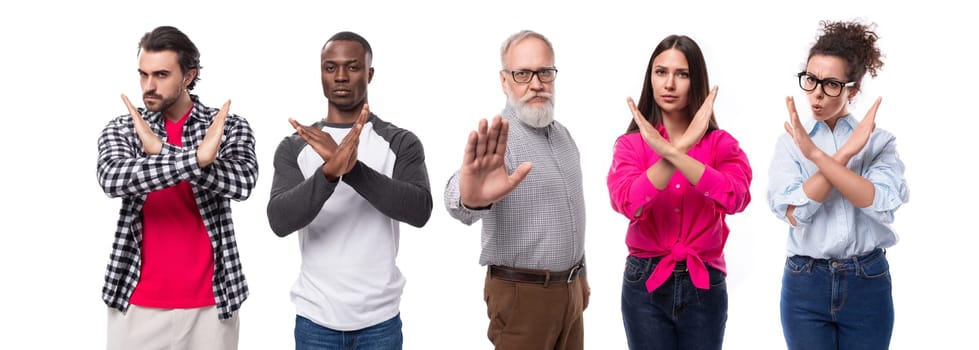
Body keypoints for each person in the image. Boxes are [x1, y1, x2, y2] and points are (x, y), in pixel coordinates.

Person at [266, 31, 433, 350]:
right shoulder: (295, 147)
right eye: (330, 67)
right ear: (321, 74)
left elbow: (419, 210)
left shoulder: (400, 142)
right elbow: (280, 220)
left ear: (369, 73)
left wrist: (352, 169)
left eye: (353, 67)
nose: (341, 76)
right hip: (316, 320)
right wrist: (328, 173)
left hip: (380, 321)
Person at [96, 26, 258, 350]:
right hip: (136, 302)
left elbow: (242, 182)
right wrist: (198, 159)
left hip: (213, 304)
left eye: (161, 74)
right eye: (143, 74)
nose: (148, 86)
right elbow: (113, 178)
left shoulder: (227, 126)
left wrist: (161, 152)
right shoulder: (125, 127)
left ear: (188, 76)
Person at [767, 20, 910, 350]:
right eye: (811, 80)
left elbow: (882, 203)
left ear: (853, 89)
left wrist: (817, 156)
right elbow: (793, 213)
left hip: (867, 282)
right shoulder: (790, 143)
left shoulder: (878, 143)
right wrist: (843, 155)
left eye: (830, 84)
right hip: (805, 283)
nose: (816, 93)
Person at [443, 29, 589, 349]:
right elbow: (457, 193)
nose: (536, 84)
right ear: (504, 81)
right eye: (522, 74)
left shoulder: (564, 136)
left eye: (544, 72)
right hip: (523, 297)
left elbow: (570, 214)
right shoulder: (500, 140)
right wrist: (471, 199)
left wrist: (581, 277)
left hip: (572, 291)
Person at [606, 35, 752, 350]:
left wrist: (674, 152)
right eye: (661, 72)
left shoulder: (720, 143)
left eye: (682, 74)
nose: (669, 83)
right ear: (650, 78)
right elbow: (628, 202)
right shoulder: (630, 144)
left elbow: (736, 197)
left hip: (705, 282)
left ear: (695, 80)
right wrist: (682, 148)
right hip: (644, 281)